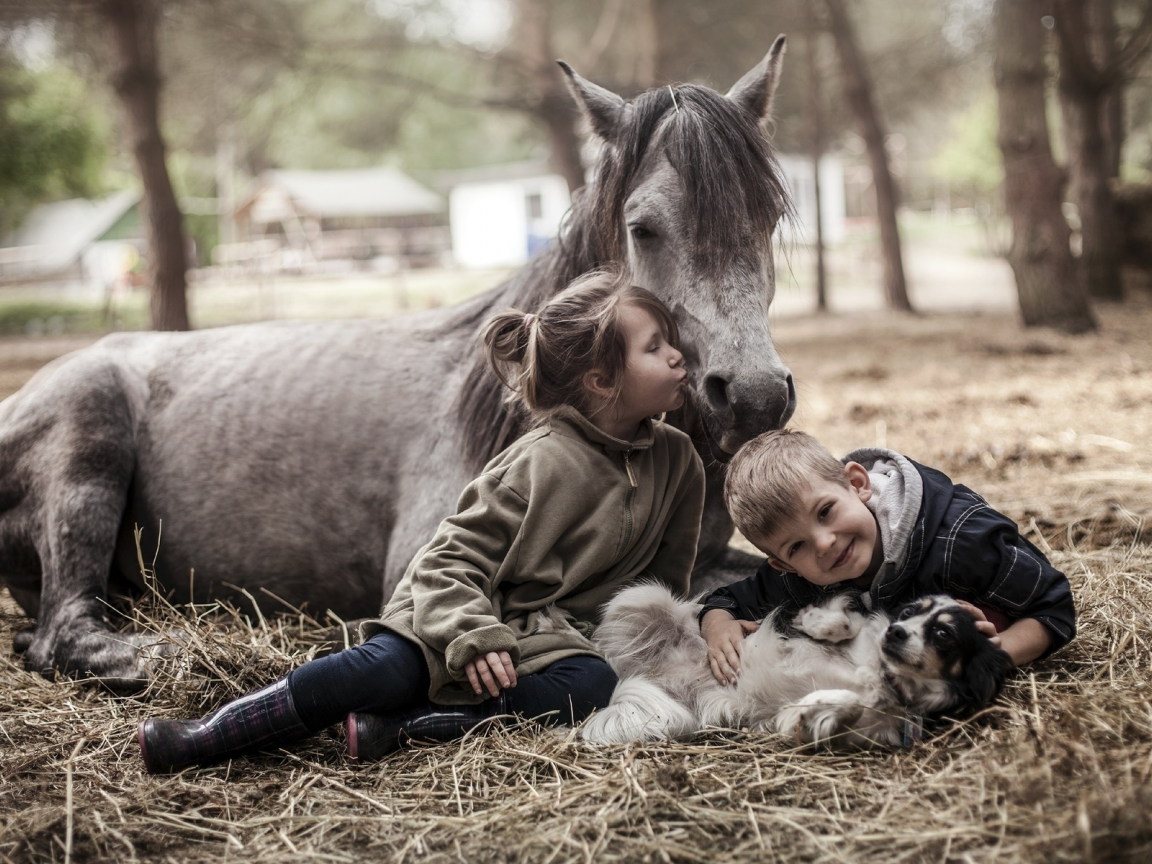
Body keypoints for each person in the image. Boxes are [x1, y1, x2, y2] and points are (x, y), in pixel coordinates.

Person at [138, 267, 706, 773]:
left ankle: (403, 727)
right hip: (456, 612)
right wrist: (473, 637)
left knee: (591, 688)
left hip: (550, 642)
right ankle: (207, 737)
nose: (677, 355)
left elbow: (663, 582)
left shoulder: (679, 461)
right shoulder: (539, 462)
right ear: (602, 381)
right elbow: (445, 561)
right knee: (380, 670)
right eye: (654, 348)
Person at [701, 429, 1075, 687]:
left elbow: (1052, 608)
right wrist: (718, 627)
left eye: (825, 511)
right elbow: (725, 600)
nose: (824, 543)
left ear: (858, 484)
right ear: (782, 565)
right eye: (796, 547)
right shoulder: (798, 576)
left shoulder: (961, 541)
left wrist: (997, 653)